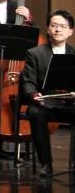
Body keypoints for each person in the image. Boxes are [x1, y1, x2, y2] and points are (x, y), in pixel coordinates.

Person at [22, 10, 75, 177]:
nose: (58, 29)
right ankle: (46, 164)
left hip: (69, 103)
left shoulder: (73, 54)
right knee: (35, 113)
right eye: (54, 25)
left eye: (63, 26)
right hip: (45, 103)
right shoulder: (35, 53)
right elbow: (28, 82)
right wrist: (34, 95)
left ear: (71, 31)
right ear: (48, 29)